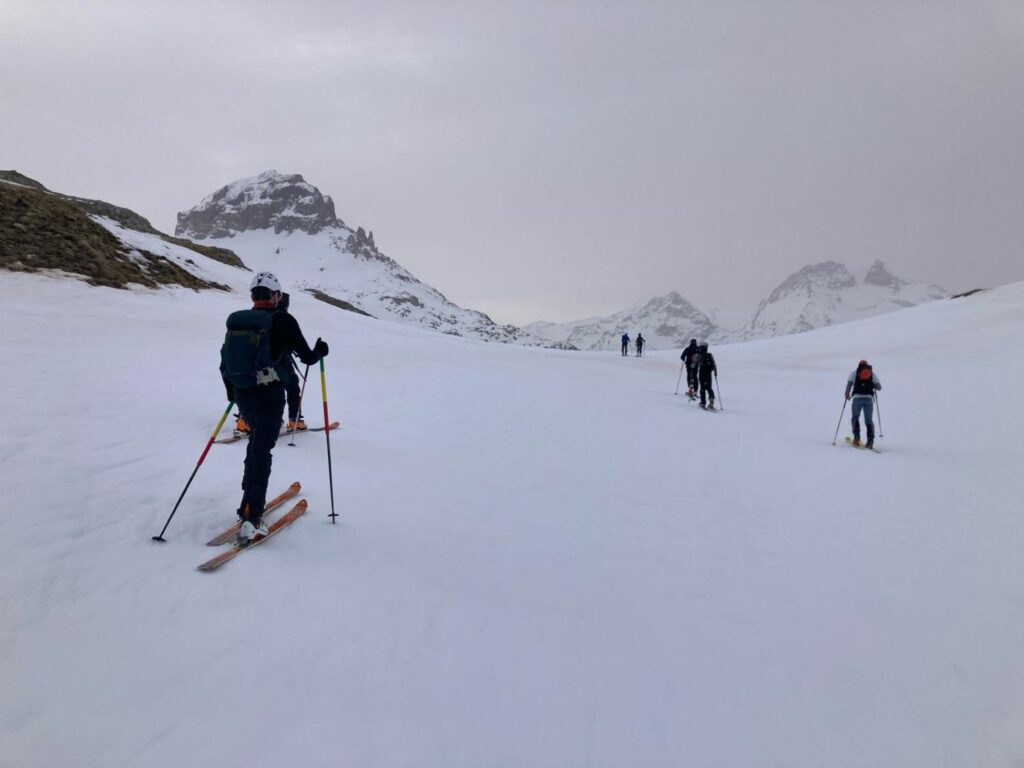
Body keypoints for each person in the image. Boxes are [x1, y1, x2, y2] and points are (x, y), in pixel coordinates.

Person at [220, 272, 328, 542]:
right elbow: (307, 357)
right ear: (276, 295)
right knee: (261, 450)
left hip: (244, 394)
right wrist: (321, 351)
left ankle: (247, 504)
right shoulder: (284, 320)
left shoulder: (241, 321)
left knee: (255, 443)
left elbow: (225, 361)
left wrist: (233, 393)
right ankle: (252, 516)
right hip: (269, 394)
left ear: (253, 296)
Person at [277, 292, 307, 431]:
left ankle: (245, 420)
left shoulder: (259, 316)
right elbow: (304, 352)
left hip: (256, 361)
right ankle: (295, 420)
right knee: (292, 386)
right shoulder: (285, 319)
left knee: (259, 388)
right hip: (281, 360)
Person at [845, 360, 881, 448]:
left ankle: (856, 437)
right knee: (868, 420)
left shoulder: (854, 373)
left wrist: (847, 394)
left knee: (855, 417)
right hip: (868, 400)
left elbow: (849, 385)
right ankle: (870, 442)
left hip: (857, 399)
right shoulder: (872, 374)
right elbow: (879, 387)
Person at [696, 342, 717, 410]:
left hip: (702, 373)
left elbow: (694, 364)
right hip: (708, 373)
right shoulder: (710, 355)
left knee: (702, 388)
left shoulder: (699, 355)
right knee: (709, 387)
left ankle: (703, 402)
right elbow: (713, 364)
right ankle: (711, 401)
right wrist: (715, 373)